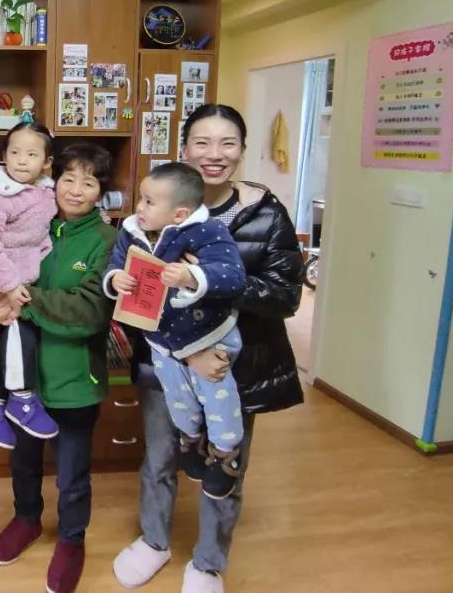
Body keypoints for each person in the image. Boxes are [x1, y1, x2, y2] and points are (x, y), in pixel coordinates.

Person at [112, 104, 304, 593]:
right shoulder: (154, 210)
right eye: (202, 142)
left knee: (225, 462)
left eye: (227, 143)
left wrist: (210, 281)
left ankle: (208, 563)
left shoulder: (266, 214)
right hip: (164, 360)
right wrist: (180, 344)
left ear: (242, 150)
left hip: (231, 365)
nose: (214, 154)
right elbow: (133, 287)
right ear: (184, 148)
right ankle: (154, 540)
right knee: (159, 457)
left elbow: (285, 296)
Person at [0, 143, 118, 593]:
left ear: (101, 191)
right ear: (52, 180)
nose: (75, 190)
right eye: (68, 179)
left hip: (76, 380)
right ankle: (27, 519)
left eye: (89, 182)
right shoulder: (32, 224)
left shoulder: (107, 241)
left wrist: (22, 301)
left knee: (72, 475)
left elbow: (89, 310)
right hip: (25, 382)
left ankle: (72, 540)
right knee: (23, 462)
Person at [103, 162, 246, 500]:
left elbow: (233, 276)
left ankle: (225, 455)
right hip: (162, 340)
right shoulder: (132, 231)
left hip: (207, 336)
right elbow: (116, 262)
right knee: (178, 400)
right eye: (141, 198)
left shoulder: (208, 232)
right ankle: (191, 440)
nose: (139, 207)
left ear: (179, 214)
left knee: (218, 397)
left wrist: (191, 276)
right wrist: (115, 278)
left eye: (149, 202)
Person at [0, 122, 59, 447]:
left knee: (16, 335)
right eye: (14, 152)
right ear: (3, 156)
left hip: (25, 275)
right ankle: (21, 398)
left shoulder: (45, 190)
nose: (21, 160)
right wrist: (7, 284)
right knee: (16, 325)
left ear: (46, 162)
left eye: (31, 154)